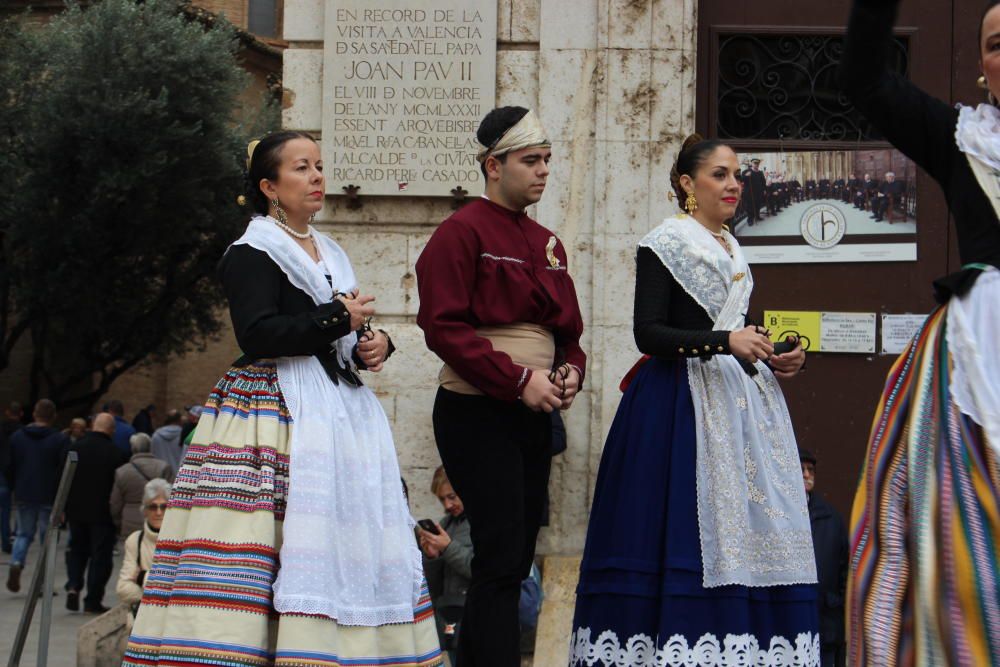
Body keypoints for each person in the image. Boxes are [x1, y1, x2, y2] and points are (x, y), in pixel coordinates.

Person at [122, 131, 440, 667]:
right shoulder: (251, 252)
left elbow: (332, 333)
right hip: (274, 416)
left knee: (335, 535)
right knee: (266, 543)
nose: (317, 177)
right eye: (302, 168)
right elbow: (260, 333)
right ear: (269, 186)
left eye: (318, 166)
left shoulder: (329, 250)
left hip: (336, 410)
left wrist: (368, 344)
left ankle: (342, 648)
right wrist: (340, 317)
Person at [570, 134, 818, 666]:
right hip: (678, 407)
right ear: (687, 184)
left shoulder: (731, 245)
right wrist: (722, 342)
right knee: (684, 531)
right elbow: (648, 333)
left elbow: (740, 325)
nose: (734, 185)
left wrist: (781, 352)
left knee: (752, 532)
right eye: (720, 175)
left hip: (740, 405)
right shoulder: (666, 242)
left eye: (736, 176)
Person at [840, 1, 1000, 664]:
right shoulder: (960, 135)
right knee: (959, 553)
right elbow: (866, 81)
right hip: (975, 360)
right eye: (995, 44)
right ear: (985, 70)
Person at [416, 106, 586, 667]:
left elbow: (569, 335)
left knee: (516, 558)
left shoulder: (548, 242)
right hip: (476, 410)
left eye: (547, 161)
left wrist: (570, 372)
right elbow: (443, 326)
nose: (542, 171)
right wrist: (517, 381)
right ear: (494, 165)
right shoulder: (459, 232)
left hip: (534, 411)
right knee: (495, 554)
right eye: (530, 161)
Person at [64, 412, 126, 612]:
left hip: (76, 511)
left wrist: (62, 508)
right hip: (102, 513)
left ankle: (73, 585)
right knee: (100, 557)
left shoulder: (75, 448)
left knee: (77, 550)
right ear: (111, 430)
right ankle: (92, 600)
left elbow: (62, 479)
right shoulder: (116, 454)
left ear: (92, 425)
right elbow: (119, 488)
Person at [5, 399, 68, 592]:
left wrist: (14, 485)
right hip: (49, 494)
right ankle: (41, 583)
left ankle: (16, 561)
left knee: (23, 533)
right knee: (47, 538)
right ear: (54, 416)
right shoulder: (59, 439)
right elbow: (63, 469)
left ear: (34, 414)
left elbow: (9, 465)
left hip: (25, 491)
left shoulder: (17, 437)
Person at [418, 466, 473, 666]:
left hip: (477, 618)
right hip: (451, 619)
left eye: (451, 497)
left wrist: (448, 547)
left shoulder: (483, 523)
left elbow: (481, 570)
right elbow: (434, 587)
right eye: (442, 499)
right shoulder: (446, 524)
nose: (448, 505)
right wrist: (432, 557)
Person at [800, 450, 848, 667]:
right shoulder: (777, 515)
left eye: (810, 470)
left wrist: (837, 602)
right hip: (791, 622)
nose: (806, 475)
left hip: (826, 624)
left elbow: (844, 568)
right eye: (801, 470)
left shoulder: (831, 517)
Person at [116, 478, 170, 613]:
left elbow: (179, 588)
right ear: (145, 510)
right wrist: (160, 594)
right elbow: (123, 588)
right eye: (153, 507)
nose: (158, 512)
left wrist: (142, 577)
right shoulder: (135, 540)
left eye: (164, 507)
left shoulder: (181, 541)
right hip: (140, 623)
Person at [110, 432, 173, 539]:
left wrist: (118, 522)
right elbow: (172, 497)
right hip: (158, 520)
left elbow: (115, 504)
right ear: (150, 447)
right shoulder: (164, 467)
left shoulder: (122, 472)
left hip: (130, 522)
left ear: (132, 449)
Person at [150, 408, 183, 476]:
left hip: (160, 475)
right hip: (178, 476)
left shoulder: (156, 435)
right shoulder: (184, 436)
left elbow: (152, 455)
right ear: (180, 420)